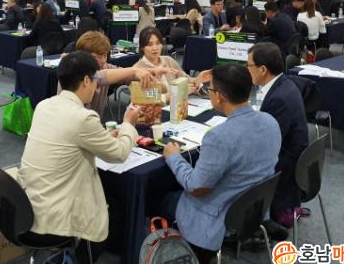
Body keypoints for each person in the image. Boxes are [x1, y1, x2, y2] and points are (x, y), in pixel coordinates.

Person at [161, 64, 281, 264]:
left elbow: (197, 188)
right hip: (253, 207)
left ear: (219, 96)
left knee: (162, 197)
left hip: (222, 215)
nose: (208, 93)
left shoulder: (219, 137)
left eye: (210, 89)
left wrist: (173, 157)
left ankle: (185, 259)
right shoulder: (270, 121)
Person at [16, 51, 140, 249]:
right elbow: (119, 154)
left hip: (26, 204)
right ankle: (84, 257)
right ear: (86, 81)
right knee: (116, 201)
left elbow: (66, 139)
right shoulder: (83, 117)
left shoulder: (43, 105)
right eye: (95, 80)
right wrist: (128, 123)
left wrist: (103, 137)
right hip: (53, 216)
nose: (97, 87)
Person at [247, 43, 307, 227]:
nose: (247, 70)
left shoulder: (278, 99)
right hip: (292, 154)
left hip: (285, 164)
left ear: (263, 69)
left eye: (249, 65)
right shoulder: (283, 83)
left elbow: (266, 145)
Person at [71, 31, 177, 117]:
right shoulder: (76, 71)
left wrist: (152, 71)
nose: (102, 60)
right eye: (96, 57)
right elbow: (99, 76)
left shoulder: (106, 66)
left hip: (94, 123)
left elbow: (126, 74)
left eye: (104, 55)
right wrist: (136, 71)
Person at [134, 27, 210, 102]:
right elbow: (146, 100)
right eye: (150, 44)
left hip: (180, 107)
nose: (155, 48)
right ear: (142, 47)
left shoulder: (168, 60)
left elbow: (186, 80)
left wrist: (198, 80)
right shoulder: (137, 71)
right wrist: (179, 93)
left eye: (158, 43)